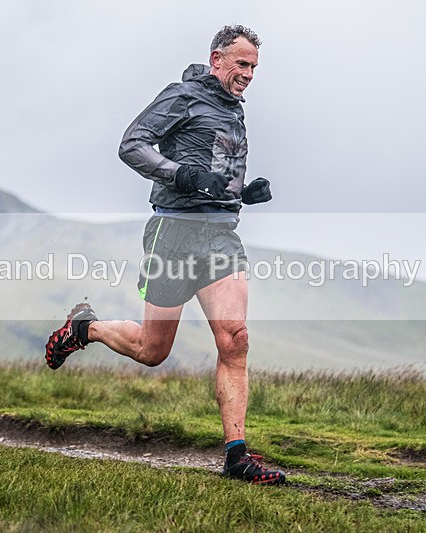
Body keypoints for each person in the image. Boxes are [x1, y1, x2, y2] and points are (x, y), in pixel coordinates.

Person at [45, 25, 284, 485]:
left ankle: (237, 456)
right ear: (216, 60)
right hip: (172, 234)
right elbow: (131, 145)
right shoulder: (182, 96)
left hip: (220, 236)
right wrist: (184, 178)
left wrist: (241, 193)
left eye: (254, 67)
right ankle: (85, 328)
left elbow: (213, 171)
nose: (249, 74)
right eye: (242, 64)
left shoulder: (233, 110)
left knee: (235, 338)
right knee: (153, 351)